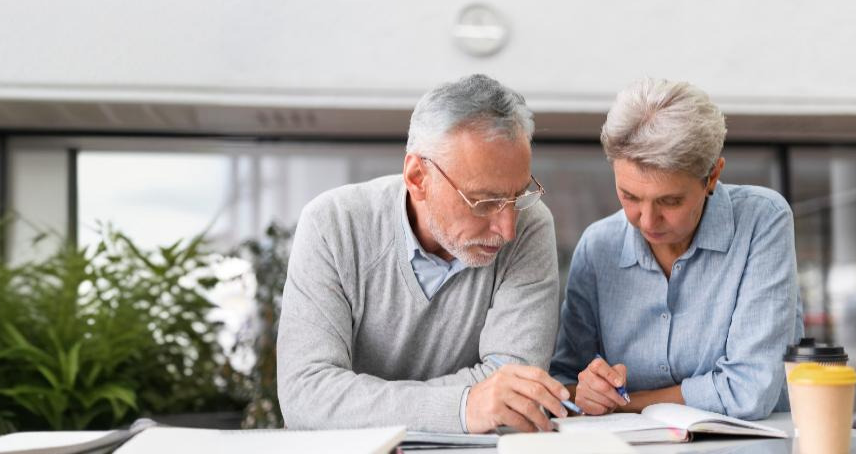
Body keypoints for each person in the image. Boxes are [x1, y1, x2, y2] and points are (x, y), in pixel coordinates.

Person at [278, 74, 570, 434]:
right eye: (484, 201)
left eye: (517, 195)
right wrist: (465, 406)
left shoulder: (530, 225)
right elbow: (307, 396)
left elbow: (515, 395)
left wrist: (356, 403)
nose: (507, 228)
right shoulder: (332, 225)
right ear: (418, 178)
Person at [550, 78, 802, 420]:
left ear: (712, 177)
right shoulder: (598, 246)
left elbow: (749, 389)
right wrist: (587, 390)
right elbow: (564, 381)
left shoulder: (762, 220)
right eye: (630, 197)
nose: (648, 220)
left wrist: (628, 401)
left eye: (670, 201)